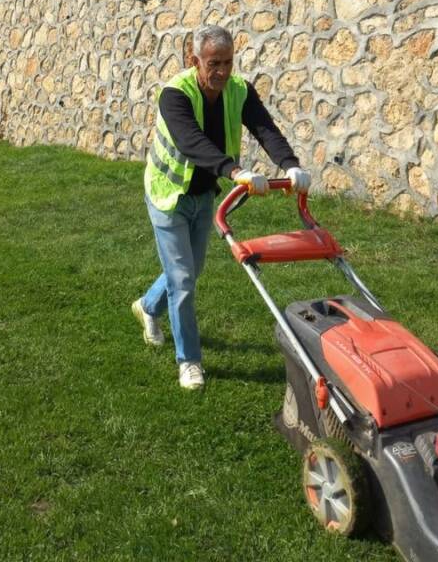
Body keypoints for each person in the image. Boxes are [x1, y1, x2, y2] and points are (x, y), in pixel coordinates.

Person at [132, 24, 311, 390]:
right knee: (182, 279)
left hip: (204, 195)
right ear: (193, 60)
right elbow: (191, 142)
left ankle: (149, 306)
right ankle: (189, 361)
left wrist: (290, 164)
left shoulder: (238, 90)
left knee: (191, 270)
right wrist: (235, 171)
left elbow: (265, 128)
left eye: (228, 62)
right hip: (168, 195)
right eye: (214, 63)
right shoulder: (174, 95)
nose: (222, 71)